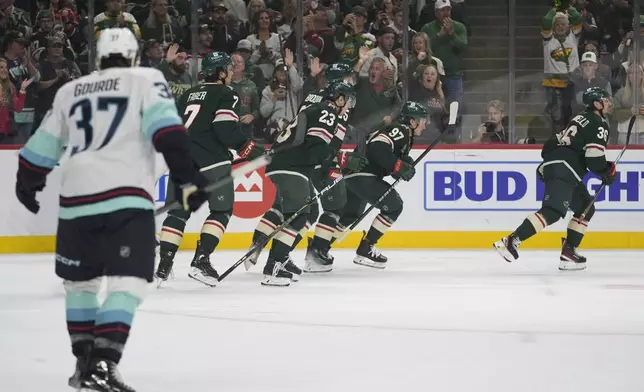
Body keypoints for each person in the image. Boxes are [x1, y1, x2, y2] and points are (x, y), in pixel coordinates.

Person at [14, 27, 207, 392]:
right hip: (124, 194)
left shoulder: (72, 90)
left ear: (98, 58)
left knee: (81, 283)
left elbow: (37, 152)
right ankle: (104, 360)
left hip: (75, 199)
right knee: (130, 281)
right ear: (133, 56)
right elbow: (167, 132)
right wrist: (187, 178)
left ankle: (84, 366)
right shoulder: (145, 79)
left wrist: (27, 184)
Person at [156, 51, 265, 287]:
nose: (232, 72)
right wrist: (250, 149)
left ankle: (164, 266)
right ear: (221, 72)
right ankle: (201, 261)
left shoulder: (187, 94)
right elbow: (225, 129)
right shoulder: (226, 93)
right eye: (228, 68)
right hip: (211, 161)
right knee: (222, 211)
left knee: (177, 213)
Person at [243, 63, 360, 272]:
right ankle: (313, 254)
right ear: (340, 82)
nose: (352, 81)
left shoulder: (315, 96)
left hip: (293, 154)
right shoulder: (335, 104)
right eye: (349, 78)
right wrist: (337, 159)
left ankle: (264, 246)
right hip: (312, 157)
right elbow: (327, 138)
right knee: (331, 206)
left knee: (290, 207)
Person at [493, 87, 616, 271]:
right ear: (597, 104)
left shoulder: (578, 119)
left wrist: (557, 163)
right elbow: (594, 159)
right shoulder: (599, 123)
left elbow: (549, 146)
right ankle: (511, 241)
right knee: (553, 211)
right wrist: (607, 171)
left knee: (585, 207)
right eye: (606, 100)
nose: (609, 103)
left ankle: (569, 252)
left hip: (558, 167)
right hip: (565, 169)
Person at [338, 101, 428, 269]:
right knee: (394, 206)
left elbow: (385, 158)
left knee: (349, 216)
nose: (426, 124)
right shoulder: (401, 130)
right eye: (423, 120)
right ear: (412, 121)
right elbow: (377, 147)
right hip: (364, 175)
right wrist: (398, 166)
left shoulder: (403, 133)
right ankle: (366, 248)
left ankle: (318, 249)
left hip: (354, 175)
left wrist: (400, 166)